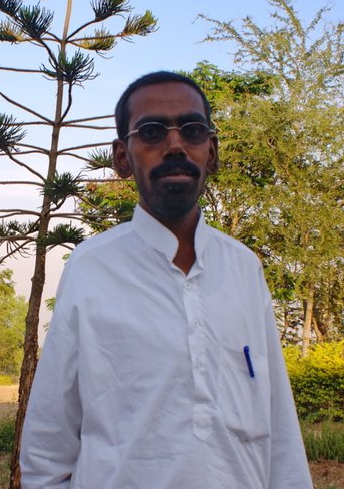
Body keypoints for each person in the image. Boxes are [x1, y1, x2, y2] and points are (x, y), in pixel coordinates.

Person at [20, 71, 312, 488]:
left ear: (210, 152)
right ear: (123, 157)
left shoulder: (244, 268)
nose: (175, 145)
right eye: (153, 131)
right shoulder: (90, 269)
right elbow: (48, 445)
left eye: (192, 131)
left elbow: (279, 426)